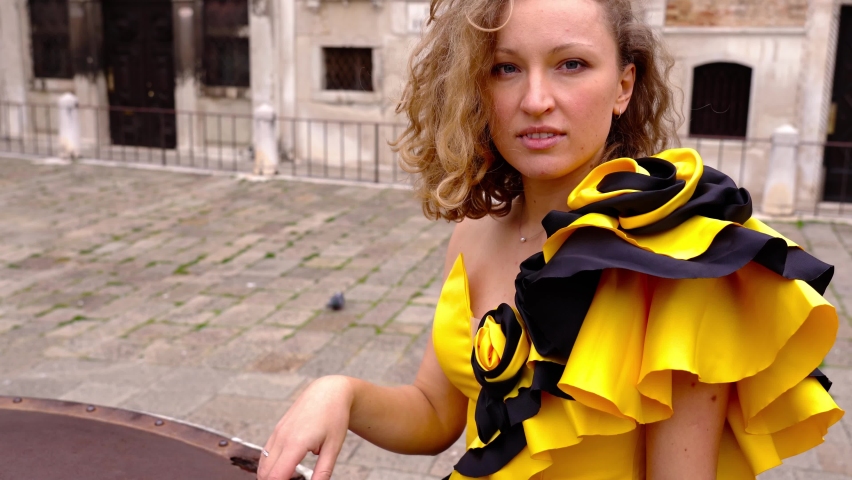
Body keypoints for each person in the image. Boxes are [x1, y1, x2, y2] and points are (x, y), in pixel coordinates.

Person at [258, 0, 844, 478]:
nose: (535, 99)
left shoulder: (672, 258)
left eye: (571, 64)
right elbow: (437, 413)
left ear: (623, 85)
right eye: (506, 67)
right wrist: (342, 393)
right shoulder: (475, 232)